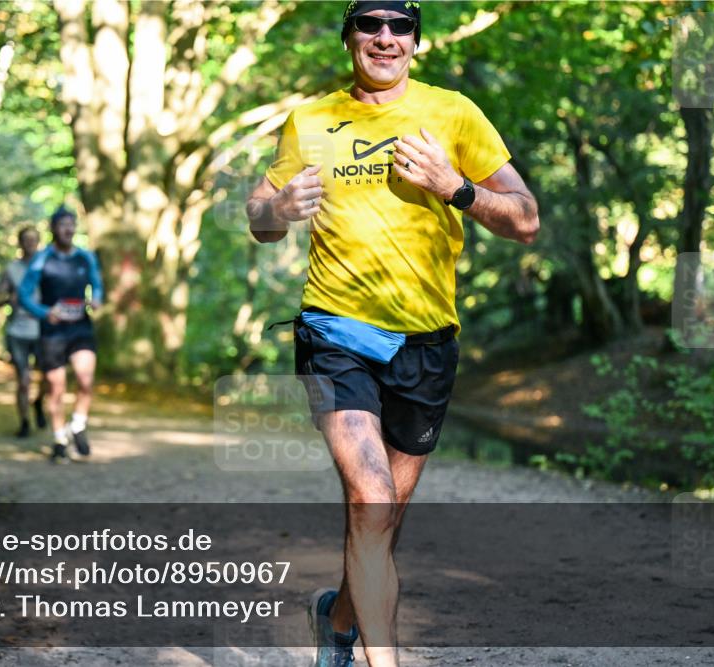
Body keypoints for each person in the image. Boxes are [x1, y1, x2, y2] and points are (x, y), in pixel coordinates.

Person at [245, 2, 540, 665]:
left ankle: (338, 618)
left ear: (416, 42)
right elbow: (259, 213)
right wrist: (277, 210)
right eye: (369, 23)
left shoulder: (455, 114)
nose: (384, 36)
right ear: (348, 37)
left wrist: (455, 187)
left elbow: (524, 219)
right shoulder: (311, 120)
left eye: (399, 25)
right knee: (371, 496)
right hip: (335, 330)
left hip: (427, 343)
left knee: (383, 518)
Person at [19, 206, 104, 463]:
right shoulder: (42, 259)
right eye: (63, 224)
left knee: (85, 378)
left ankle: (77, 424)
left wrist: (96, 300)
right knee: (56, 388)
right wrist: (45, 312)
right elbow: (24, 294)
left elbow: (97, 285)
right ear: (53, 229)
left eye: (72, 224)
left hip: (80, 327)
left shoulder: (85, 257)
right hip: (53, 331)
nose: (68, 228)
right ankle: (59, 438)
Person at [0, 226, 48, 437]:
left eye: (34, 239)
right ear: (20, 243)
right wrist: (8, 298)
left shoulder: (46, 268)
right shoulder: (12, 269)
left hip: (43, 330)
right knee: (23, 380)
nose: (30, 243)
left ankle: (39, 402)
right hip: (18, 332)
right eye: (26, 239)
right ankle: (24, 422)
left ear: (39, 242)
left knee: (48, 378)